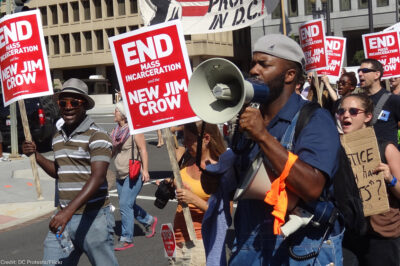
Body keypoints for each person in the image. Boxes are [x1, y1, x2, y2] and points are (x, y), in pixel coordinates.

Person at [227, 34, 342, 265]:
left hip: (300, 249)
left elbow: (312, 186)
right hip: (250, 246)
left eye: (264, 64)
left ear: (290, 75)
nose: (254, 71)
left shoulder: (314, 119)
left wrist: (262, 135)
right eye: (253, 64)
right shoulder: (249, 120)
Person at [22, 78, 118, 266]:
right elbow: (59, 172)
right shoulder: (58, 137)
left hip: (94, 218)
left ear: (84, 106)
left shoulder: (97, 135)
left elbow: (97, 178)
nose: (68, 107)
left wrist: (67, 212)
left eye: (74, 102)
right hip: (63, 219)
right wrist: (36, 155)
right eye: (63, 102)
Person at [337, 93, 400, 266]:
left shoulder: (386, 148)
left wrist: (390, 179)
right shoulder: (336, 147)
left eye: (353, 111)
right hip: (349, 233)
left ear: (368, 116)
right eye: (341, 111)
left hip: (382, 237)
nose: (346, 115)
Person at [167, 121, 226, 265]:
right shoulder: (188, 159)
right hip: (178, 238)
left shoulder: (219, 168)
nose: (185, 143)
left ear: (206, 139)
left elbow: (224, 214)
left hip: (200, 241)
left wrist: (193, 199)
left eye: (188, 139)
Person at [111, 101, 157, 251]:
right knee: (128, 204)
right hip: (120, 174)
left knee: (125, 204)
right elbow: (113, 152)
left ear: (123, 114)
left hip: (134, 174)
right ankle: (149, 220)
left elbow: (143, 150)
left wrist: (146, 170)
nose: (114, 113)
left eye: (116, 111)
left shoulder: (134, 131)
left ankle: (126, 238)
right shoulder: (116, 132)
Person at [358, 58, 400, 145]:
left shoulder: (392, 100)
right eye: (359, 71)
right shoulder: (357, 100)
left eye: (365, 71)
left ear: (377, 75)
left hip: (387, 156)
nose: (360, 74)